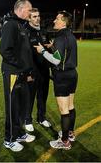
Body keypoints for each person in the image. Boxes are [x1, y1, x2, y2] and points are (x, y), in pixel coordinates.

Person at [34, 10, 78, 150]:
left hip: (63, 76)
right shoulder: (71, 35)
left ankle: (64, 141)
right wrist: (53, 47)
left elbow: (56, 60)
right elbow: (65, 53)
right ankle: (70, 134)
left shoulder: (60, 37)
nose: (54, 21)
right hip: (72, 74)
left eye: (57, 18)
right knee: (70, 106)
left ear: (63, 22)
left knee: (64, 109)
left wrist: (42, 51)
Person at [0, 0, 36, 152]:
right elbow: (5, 50)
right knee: (12, 107)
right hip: (12, 73)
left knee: (21, 106)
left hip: (22, 73)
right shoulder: (11, 25)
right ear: (20, 9)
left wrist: (27, 70)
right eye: (29, 10)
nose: (31, 12)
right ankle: (9, 139)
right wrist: (20, 66)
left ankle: (19, 133)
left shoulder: (21, 25)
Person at [24, 8, 51, 132]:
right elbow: (24, 55)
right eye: (34, 16)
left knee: (43, 95)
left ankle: (41, 117)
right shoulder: (25, 32)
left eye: (38, 16)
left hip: (44, 70)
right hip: (32, 71)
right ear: (29, 18)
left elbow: (48, 49)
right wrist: (28, 72)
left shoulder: (44, 30)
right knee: (30, 97)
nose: (37, 18)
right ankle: (27, 120)